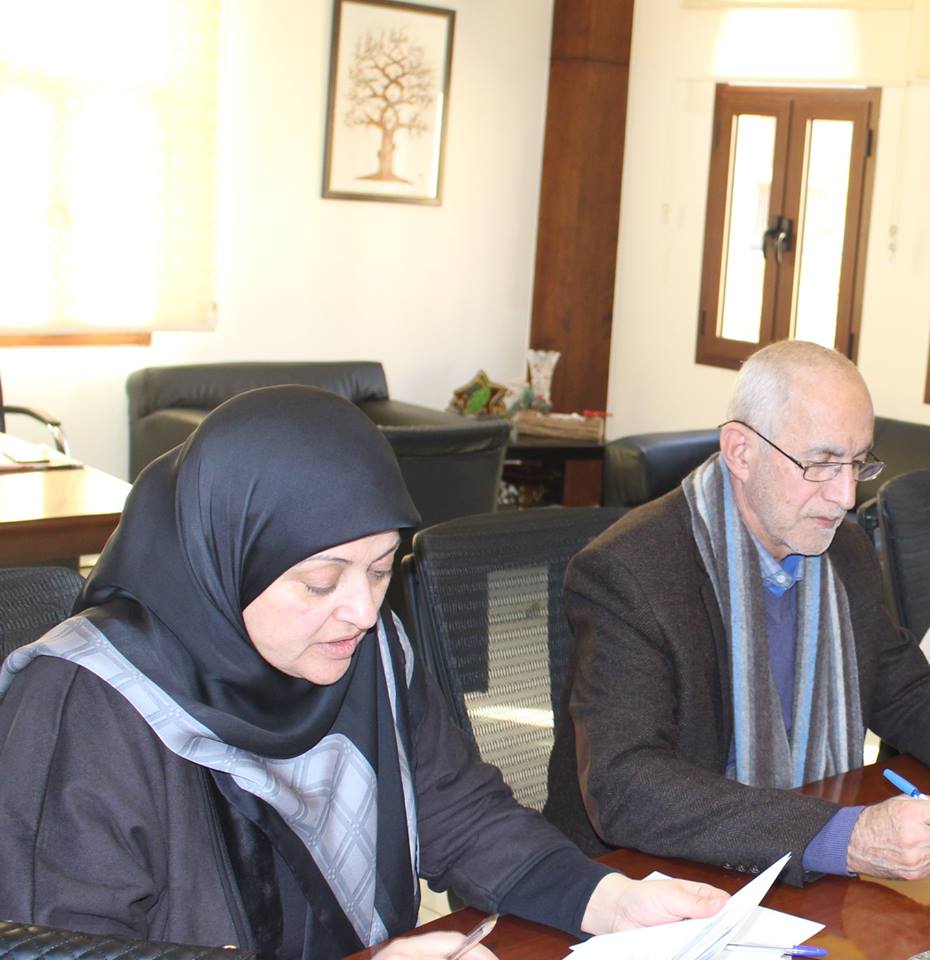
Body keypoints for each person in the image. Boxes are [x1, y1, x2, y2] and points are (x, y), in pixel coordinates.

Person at [0, 386, 726, 960]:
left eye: (381, 570)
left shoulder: (366, 650)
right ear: (226, 558)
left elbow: (462, 817)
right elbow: (65, 947)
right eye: (321, 581)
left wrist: (607, 899)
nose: (362, 611)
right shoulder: (84, 704)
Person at [544, 340, 930, 887]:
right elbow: (626, 783)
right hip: (642, 879)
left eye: (858, 463)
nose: (846, 495)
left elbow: (902, 688)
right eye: (821, 464)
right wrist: (845, 838)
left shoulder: (842, 551)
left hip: (793, 861)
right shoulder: (628, 572)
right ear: (740, 452)